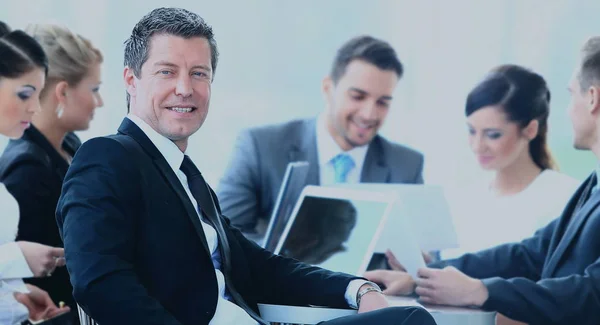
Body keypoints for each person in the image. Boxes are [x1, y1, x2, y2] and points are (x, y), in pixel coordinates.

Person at [56, 8, 435, 325]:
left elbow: (259, 266)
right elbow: (99, 282)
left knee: (406, 317)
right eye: (167, 71)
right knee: (410, 322)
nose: (185, 88)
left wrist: (356, 288)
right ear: (131, 80)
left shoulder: (184, 174)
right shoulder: (108, 158)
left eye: (199, 73)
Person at [364, 38, 600, 325]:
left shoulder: (564, 190)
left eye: (571, 94)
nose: (567, 110)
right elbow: (529, 254)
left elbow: (592, 291)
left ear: (592, 98)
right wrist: (425, 277)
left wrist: (481, 291)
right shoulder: (592, 184)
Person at [217, 35, 424, 240]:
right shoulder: (260, 148)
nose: (369, 114)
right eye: (358, 97)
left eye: (383, 102)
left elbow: (425, 250)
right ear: (328, 89)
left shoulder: (406, 166)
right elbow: (224, 238)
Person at [0, 24, 103, 319]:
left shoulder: (71, 145)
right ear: (62, 92)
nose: (100, 102)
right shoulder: (26, 169)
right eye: (94, 90)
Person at [440, 64, 580, 259]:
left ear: (530, 130)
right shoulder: (463, 196)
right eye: (472, 131)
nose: (477, 146)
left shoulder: (564, 197)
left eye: (493, 135)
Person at [0, 21, 70, 325]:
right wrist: (16, 258)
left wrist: (17, 295)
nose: (35, 108)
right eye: (25, 94)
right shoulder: (26, 163)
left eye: (38, 95)